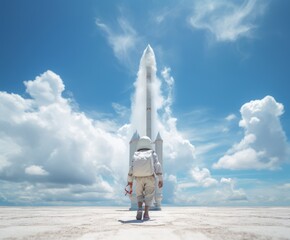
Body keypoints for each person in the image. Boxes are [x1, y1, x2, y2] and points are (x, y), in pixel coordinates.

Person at [127, 136, 163, 220]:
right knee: (149, 195)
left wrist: (130, 181)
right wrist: (160, 179)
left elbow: (131, 168)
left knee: (139, 194)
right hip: (150, 177)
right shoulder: (152, 153)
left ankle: (139, 208)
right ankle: (146, 213)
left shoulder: (136, 154)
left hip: (138, 177)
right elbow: (157, 165)